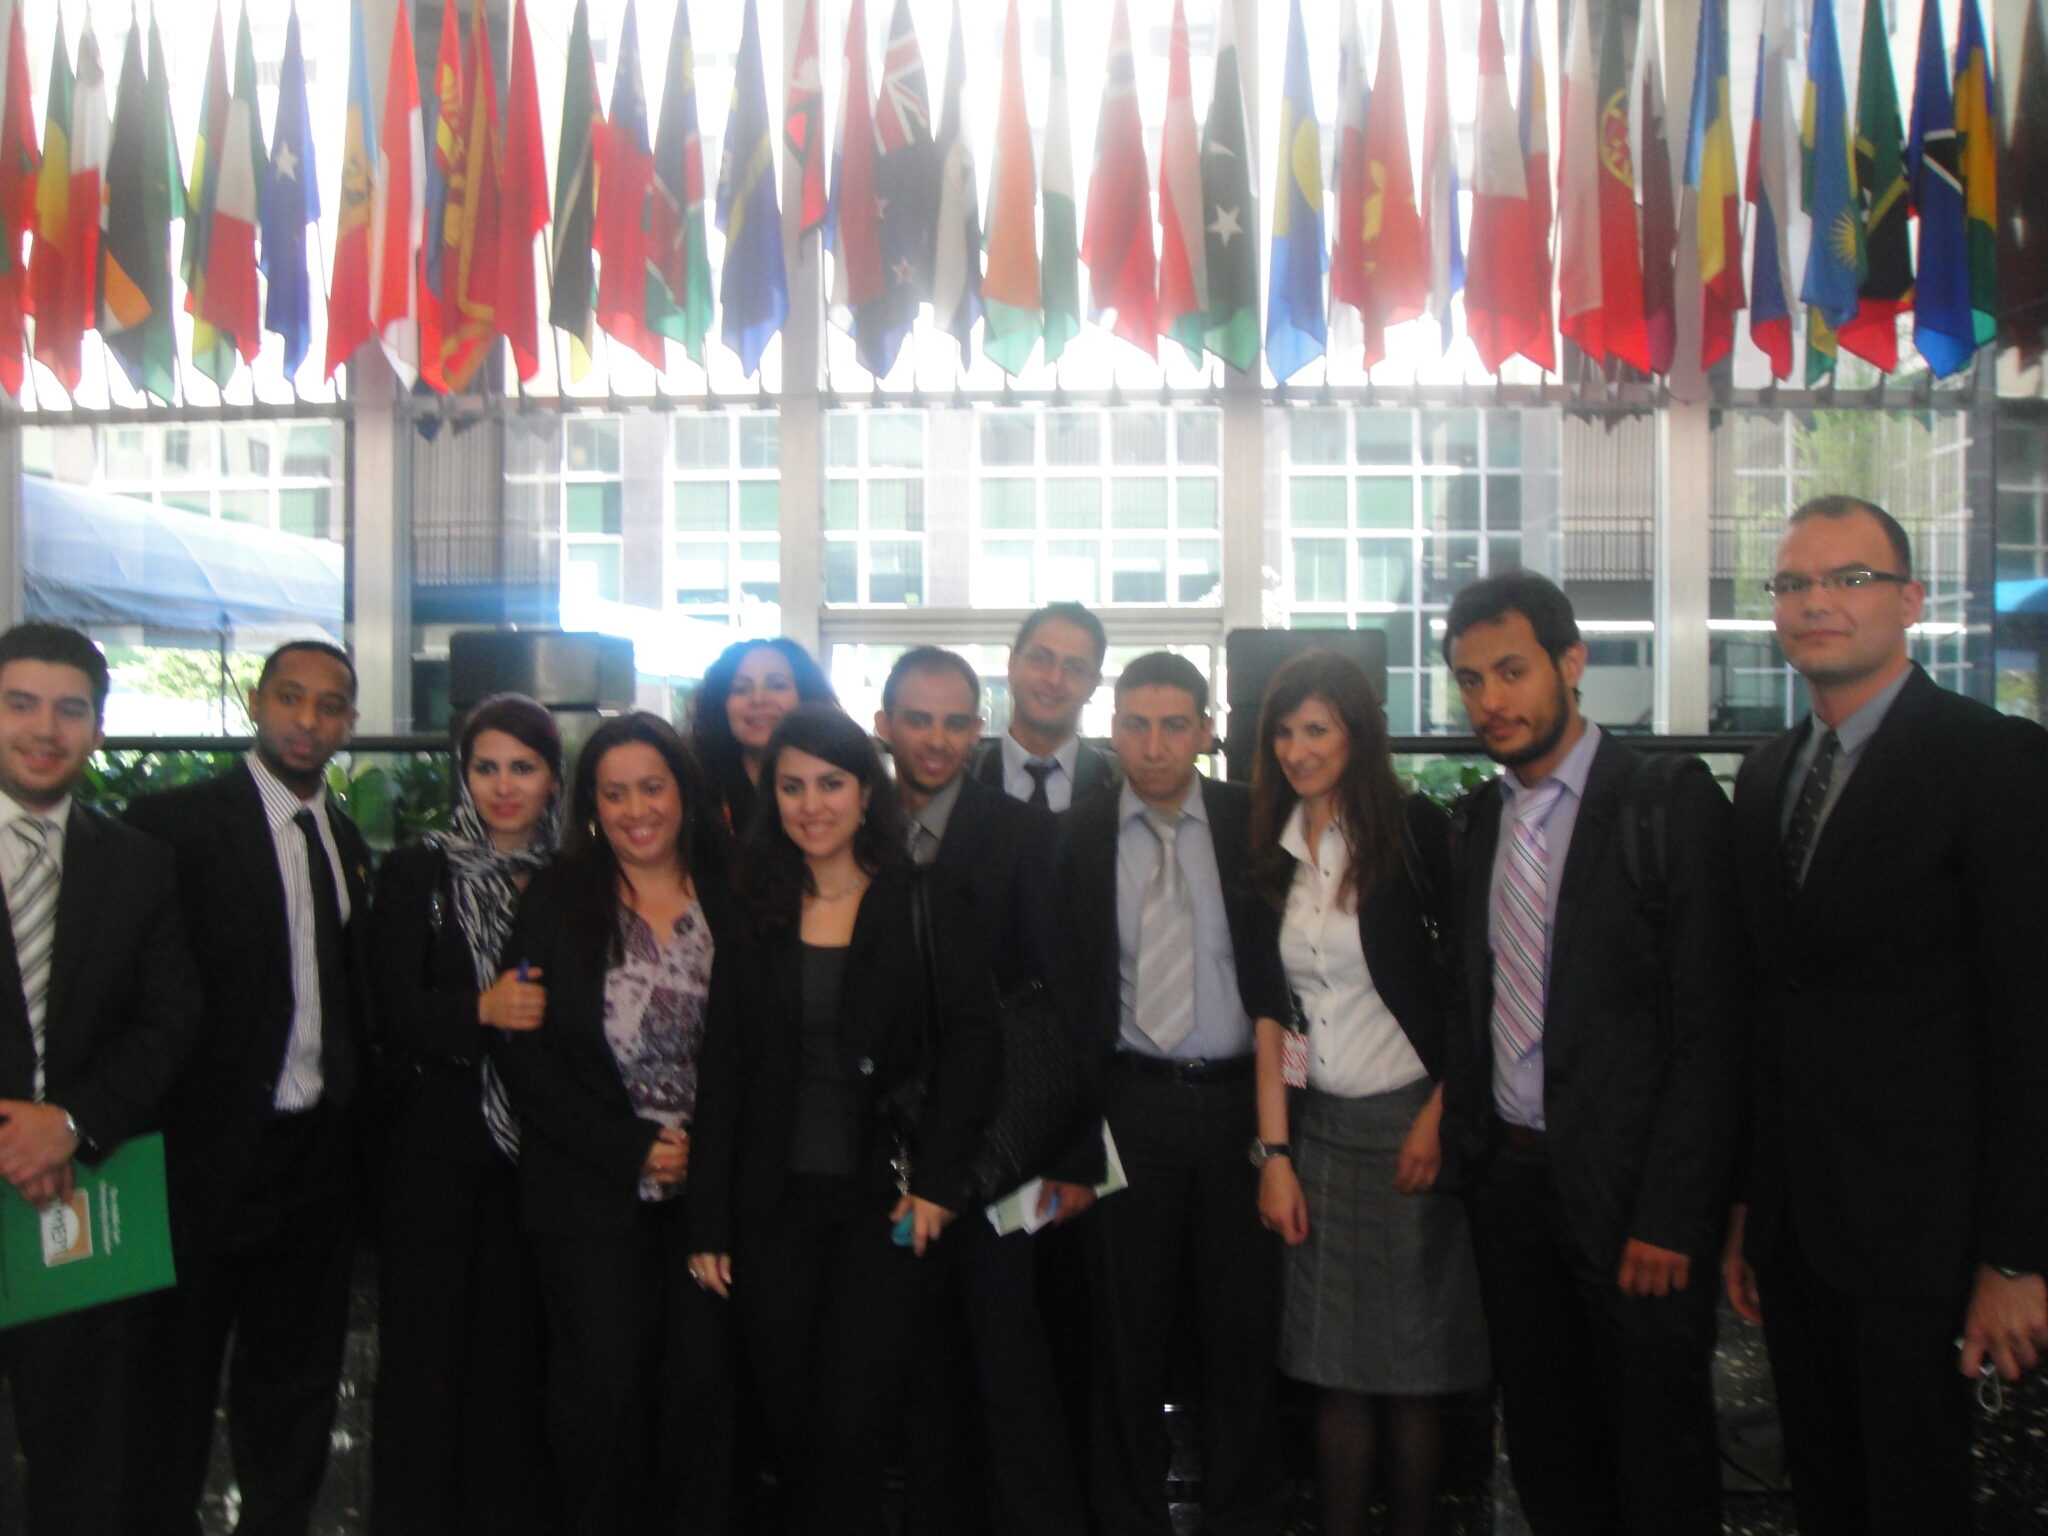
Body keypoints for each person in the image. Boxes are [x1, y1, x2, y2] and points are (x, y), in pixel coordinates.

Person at [1722, 496, 2048, 1536]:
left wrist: (2016, 1255)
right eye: (1792, 583)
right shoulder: (1766, 774)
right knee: (1825, 1493)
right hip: (1795, 1234)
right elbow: (1770, 1010)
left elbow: (2030, 1021)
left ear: (1909, 600)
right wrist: (1750, 1207)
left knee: (1915, 1500)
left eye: (1848, 578)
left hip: (1928, 1239)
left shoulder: (1991, 760)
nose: (1815, 601)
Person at [1439, 572, 1745, 1536]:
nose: (1491, 700)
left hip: (1632, 1202)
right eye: (1471, 680)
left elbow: (1712, 1031)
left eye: (1513, 671)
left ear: (1572, 663)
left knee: (1658, 1460)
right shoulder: (1478, 822)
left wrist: (1674, 1216)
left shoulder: (1665, 803)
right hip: (1512, 1192)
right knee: (1548, 1451)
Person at [686, 704, 999, 1536]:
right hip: (771, 1207)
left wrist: (940, 1183)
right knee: (791, 1419)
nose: (810, 804)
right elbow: (723, 1069)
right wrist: (708, 1218)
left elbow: (974, 1048)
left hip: (887, 1206)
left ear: (867, 794)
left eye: (830, 784)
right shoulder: (752, 908)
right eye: (792, 787)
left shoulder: (924, 899)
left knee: (851, 1421)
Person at [123, 639, 374, 1536]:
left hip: (316, 1154)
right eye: (290, 698)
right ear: (256, 703)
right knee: (174, 1380)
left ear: (349, 721)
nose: (308, 720)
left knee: (297, 1379)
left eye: (329, 705)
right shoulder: (175, 824)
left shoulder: (345, 838)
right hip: (203, 1153)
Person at [1244, 650, 1487, 1536]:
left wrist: (1440, 1113)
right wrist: (1276, 1153)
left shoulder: (1413, 831)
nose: (1298, 750)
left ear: (1358, 735)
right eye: (1284, 732)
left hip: (1410, 1125)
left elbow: (1469, 985)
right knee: (1334, 1370)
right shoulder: (1272, 849)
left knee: (1411, 1374)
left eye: (1318, 729)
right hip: (1320, 1133)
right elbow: (1276, 1016)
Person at [1053, 651, 1288, 1536]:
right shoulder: (1073, 837)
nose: (1154, 746)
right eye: (1136, 726)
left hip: (1238, 1107)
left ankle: (1243, 1515)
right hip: (1126, 1105)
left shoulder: (1253, 823)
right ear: (1112, 730)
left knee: (1242, 1328)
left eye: (1174, 726)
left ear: (1205, 730)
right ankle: (1128, 1516)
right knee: (1125, 1331)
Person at [491, 712, 736, 1536]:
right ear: (591, 805)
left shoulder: (736, 891)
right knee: (603, 1394)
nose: (637, 810)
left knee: (703, 1391)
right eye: (615, 792)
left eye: (652, 787)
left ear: (683, 791)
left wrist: (709, 1153)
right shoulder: (556, 897)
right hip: (588, 1194)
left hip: (712, 1195)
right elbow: (522, 1050)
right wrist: (632, 1148)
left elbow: (766, 1046)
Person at [873, 647, 1090, 1536]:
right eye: (917, 719)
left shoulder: (1025, 833)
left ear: (978, 727)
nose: (936, 739)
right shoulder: (850, 822)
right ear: (883, 724)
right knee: (919, 1363)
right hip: (886, 1148)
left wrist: (1077, 1155)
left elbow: (1068, 999)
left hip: (1006, 1145)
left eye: (955, 721)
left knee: (1009, 1353)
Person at [0, 624, 199, 1536]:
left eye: (70, 709)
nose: (46, 729)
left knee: (81, 1460)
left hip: (77, 1201)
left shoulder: (137, 863)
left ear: (98, 726)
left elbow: (169, 1021)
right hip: (29, 1163)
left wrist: (69, 1124)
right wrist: (15, 1137)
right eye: (21, 704)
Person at [368, 694, 563, 1536]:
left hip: (542, 1148)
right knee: (425, 1354)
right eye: (486, 768)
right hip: (436, 1147)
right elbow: (387, 1006)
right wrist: (477, 1011)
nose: (504, 786)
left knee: (513, 1357)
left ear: (553, 778)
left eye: (523, 767)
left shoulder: (575, 876)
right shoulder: (421, 868)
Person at [973, 602, 1121, 812]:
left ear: (1094, 684)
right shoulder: (961, 774)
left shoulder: (1122, 783)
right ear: (1012, 665)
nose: (1054, 679)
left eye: (1075, 668)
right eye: (1040, 659)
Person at [689, 637, 836, 833]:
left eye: (777, 686)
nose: (758, 699)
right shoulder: (694, 784)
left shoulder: (839, 774)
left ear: (805, 697)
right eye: (741, 689)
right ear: (720, 704)